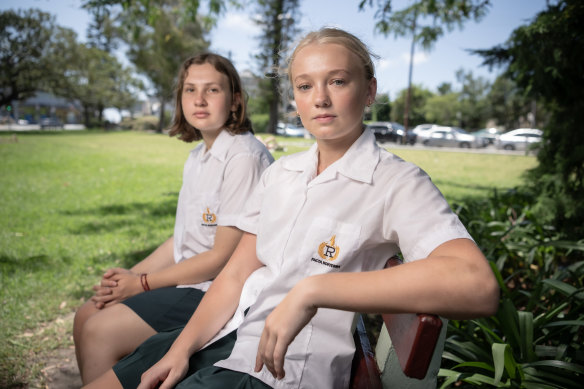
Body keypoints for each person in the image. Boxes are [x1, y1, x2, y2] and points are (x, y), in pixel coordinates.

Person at [85, 27, 499, 389]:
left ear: (369, 91)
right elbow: (233, 276)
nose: (320, 98)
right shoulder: (282, 173)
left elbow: (477, 285)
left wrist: (313, 290)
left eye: (337, 81)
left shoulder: (396, 182)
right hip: (224, 335)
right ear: (295, 99)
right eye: (304, 86)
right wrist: (181, 348)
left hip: (279, 369)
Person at [73, 52, 274, 384]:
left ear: (235, 100)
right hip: (188, 283)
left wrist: (141, 285)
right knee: (87, 313)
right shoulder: (198, 157)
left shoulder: (244, 157)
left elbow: (220, 258)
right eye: (189, 90)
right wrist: (129, 276)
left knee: (99, 330)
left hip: (216, 292)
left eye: (212, 90)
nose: (199, 99)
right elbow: (182, 241)